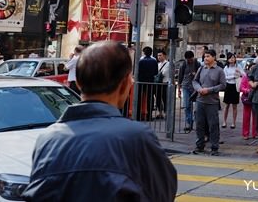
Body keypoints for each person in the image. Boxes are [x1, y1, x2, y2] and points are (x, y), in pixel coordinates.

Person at [22, 41, 177, 201]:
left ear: (79, 83)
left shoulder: (47, 139)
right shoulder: (137, 137)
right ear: (125, 84)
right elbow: (162, 193)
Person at [192, 49, 226, 156]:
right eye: (205, 57)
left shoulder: (219, 70)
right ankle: (200, 146)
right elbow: (195, 81)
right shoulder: (201, 68)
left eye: (208, 56)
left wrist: (209, 90)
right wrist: (199, 89)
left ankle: (214, 147)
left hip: (212, 102)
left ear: (214, 57)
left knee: (213, 126)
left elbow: (223, 85)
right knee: (199, 124)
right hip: (200, 101)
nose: (205, 58)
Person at [178, 50, 199, 133]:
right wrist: (179, 87)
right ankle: (189, 123)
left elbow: (201, 74)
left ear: (193, 58)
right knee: (187, 106)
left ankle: (197, 123)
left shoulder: (197, 63)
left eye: (190, 59)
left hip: (196, 87)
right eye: (187, 59)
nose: (189, 61)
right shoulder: (184, 64)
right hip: (186, 86)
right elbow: (180, 75)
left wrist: (195, 74)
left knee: (197, 108)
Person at [222, 53, 242, 129]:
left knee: (234, 105)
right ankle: (224, 121)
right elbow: (225, 77)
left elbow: (242, 74)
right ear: (228, 59)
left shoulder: (238, 66)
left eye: (233, 57)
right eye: (230, 58)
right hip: (228, 86)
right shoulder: (226, 67)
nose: (232, 59)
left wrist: (239, 74)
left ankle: (233, 122)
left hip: (235, 86)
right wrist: (234, 76)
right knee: (226, 105)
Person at [137, 47, 158, 121]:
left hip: (141, 81)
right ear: (151, 52)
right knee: (150, 99)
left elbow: (138, 72)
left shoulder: (141, 61)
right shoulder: (154, 61)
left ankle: (138, 115)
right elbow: (156, 72)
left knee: (139, 98)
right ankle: (149, 116)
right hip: (150, 81)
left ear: (144, 53)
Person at [240, 62, 257, 140]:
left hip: (256, 99)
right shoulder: (245, 76)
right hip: (247, 99)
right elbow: (241, 87)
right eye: (252, 68)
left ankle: (255, 133)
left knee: (256, 117)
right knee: (246, 117)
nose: (253, 69)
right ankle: (245, 134)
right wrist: (248, 90)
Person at [155, 50, 171, 119]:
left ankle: (166, 113)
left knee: (165, 98)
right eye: (158, 55)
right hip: (158, 83)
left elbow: (163, 73)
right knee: (158, 98)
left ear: (164, 56)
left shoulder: (168, 64)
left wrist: (158, 73)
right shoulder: (158, 64)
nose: (159, 57)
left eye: (160, 55)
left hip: (165, 83)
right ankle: (160, 113)